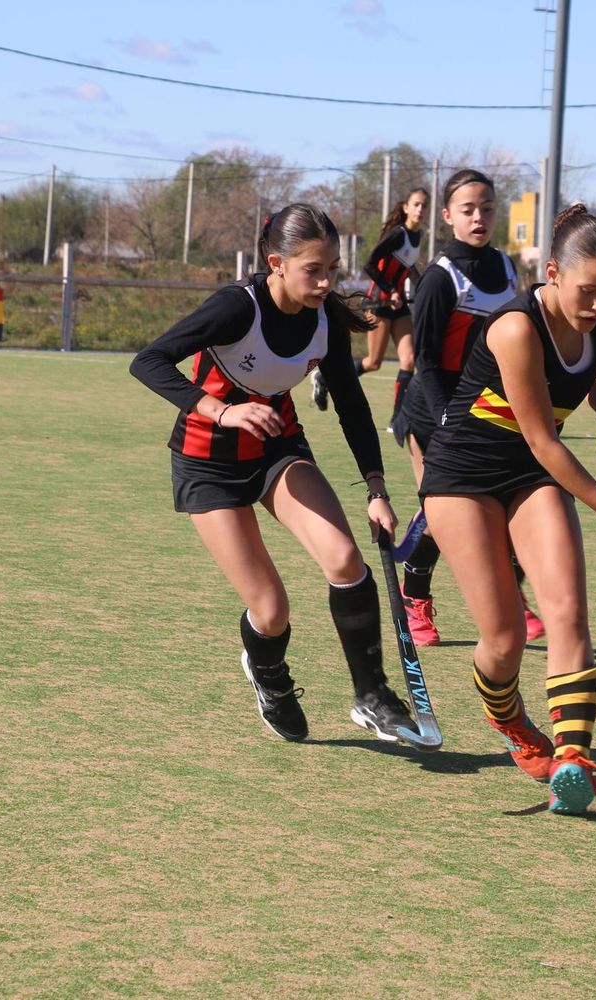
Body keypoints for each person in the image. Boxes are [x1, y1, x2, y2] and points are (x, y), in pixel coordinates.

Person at [130, 203, 418, 744]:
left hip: (276, 450)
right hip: (206, 462)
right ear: (276, 263)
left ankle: (372, 696)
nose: (327, 280)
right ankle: (270, 678)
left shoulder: (326, 316)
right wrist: (222, 410)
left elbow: (352, 402)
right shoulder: (235, 308)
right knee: (271, 608)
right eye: (314, 269)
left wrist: (377, 488)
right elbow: (148, 361)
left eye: (333, 266)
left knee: (346, 559)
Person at [419, 203, 596, 814]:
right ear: (552, 272)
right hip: (462, 478)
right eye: (588, 291)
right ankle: (519, 730)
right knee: (505, 638)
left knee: (568, 609)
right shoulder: (515, 328)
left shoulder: (589, 318)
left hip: (526, 475)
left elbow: (589, 369)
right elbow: (545, 440)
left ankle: (572, 759)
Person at [392, 168, 539, 647]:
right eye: (468, 209)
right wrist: (445, 419)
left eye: (488, 208)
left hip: (487, 409)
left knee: (502, 503)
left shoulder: (506, 266)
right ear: (448, 215)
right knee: (444, 513)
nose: (479, 217)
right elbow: (426, 359)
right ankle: (414, 600)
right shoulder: (440, 277)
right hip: (433, 411)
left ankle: (512, 598)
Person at [309, 187, 428, 426]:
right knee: (374, 362)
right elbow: (370, 264)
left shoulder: (419, 236)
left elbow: (408, 267)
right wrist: (391, 290)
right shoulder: (397, 234)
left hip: (399, 305)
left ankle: (397, 420)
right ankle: (324, 377)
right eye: (416, 204)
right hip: (379, 301)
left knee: (409, 360)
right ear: (406, 207)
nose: (420, 210)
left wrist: (422, 283)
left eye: (425, 206)